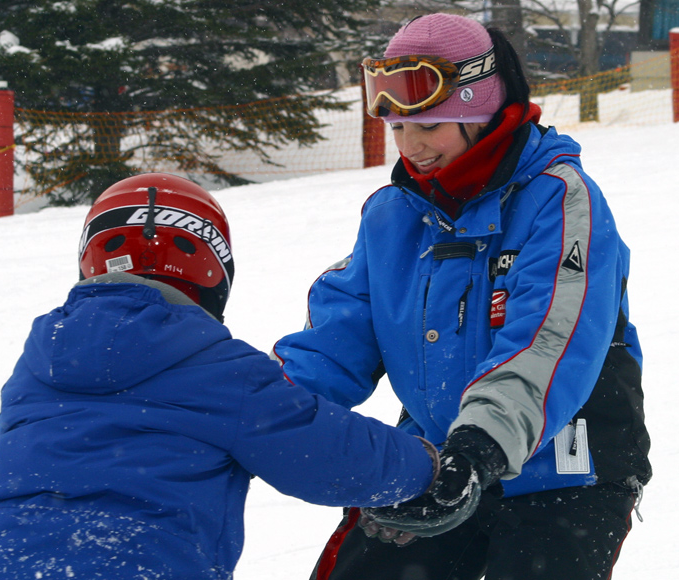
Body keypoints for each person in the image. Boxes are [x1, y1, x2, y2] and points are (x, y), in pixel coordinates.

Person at [272, 13, 651, 580]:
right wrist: (261, 410)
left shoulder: (560, 201)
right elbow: (338, 337)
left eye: (430, 126)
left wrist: (476, 449)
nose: (412, 147)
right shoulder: (394, 215)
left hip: (567, 473)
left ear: (480, 112)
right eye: (399, 129)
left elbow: (548, 339)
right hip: (440, 461)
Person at [0, 173, 441, 580]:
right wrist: (422, 467)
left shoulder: (41, 360)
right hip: (139, 565)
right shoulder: (220, 371)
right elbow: (327, 454)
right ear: (213, 273)